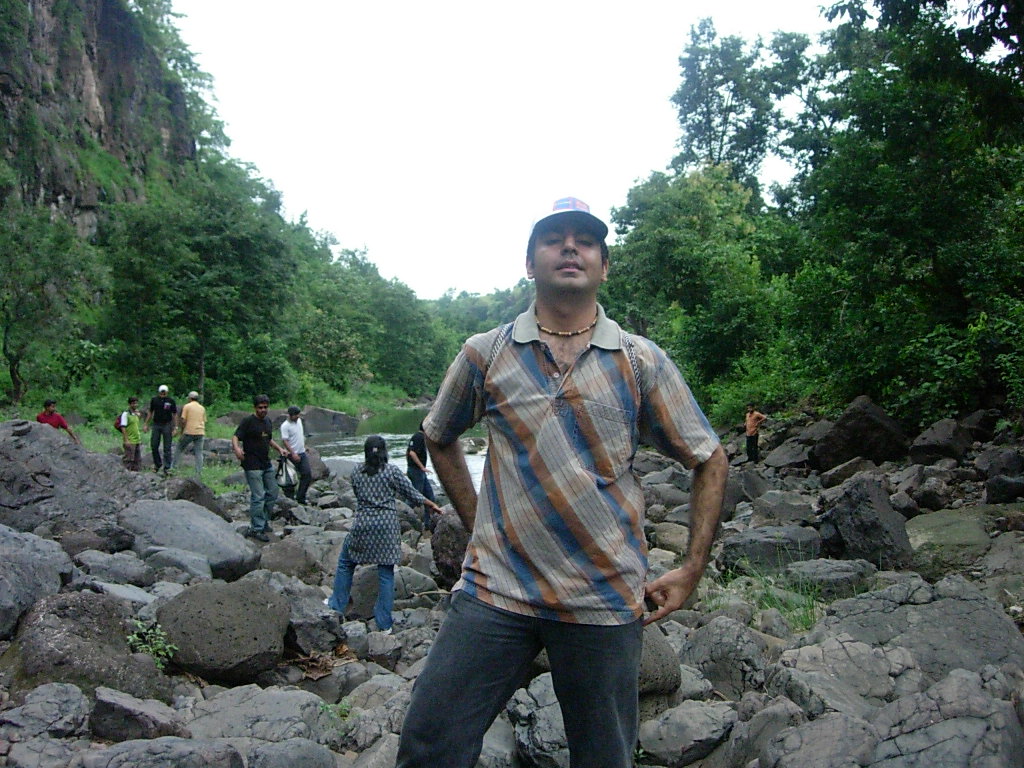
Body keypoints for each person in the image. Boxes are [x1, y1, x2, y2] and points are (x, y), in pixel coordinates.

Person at [396, 197, 728, 768]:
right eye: (554, 238)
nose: (570, 247)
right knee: (430, 742)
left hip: (602, 596)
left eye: (586, 240)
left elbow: (710, 459)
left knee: (605, 757)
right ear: (530, 263)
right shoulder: (486, 354)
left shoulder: (639, 360)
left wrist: (691, 569)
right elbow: (438, 434)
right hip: (496, 589)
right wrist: (477, 525)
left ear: (603, 265)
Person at [325, 435, 443, 633]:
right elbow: (411, 493)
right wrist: (432, 504)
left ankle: (336, 606)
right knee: (386, 573)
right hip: (387, 528)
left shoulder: (356, 472)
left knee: (346, 563)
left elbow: (357, 494)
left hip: (363, 524)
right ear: (385, 452)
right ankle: (384, 624)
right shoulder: (391, 471)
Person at [231, 394, 288, 542]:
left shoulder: (268, 421)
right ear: (255, 408)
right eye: (260, 407)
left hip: (265, 462)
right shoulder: (248, 421)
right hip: (251, 462)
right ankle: (256, 528)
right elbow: (236, 436)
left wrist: (279, 449)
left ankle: (264, 521)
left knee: (273, 491)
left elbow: (268, 439)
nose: (263, 410)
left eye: (265, 407)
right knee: (258, 496)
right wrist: (237, 449)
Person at [406, 422, 436, 530]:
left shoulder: (420, 437)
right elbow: (412, 453)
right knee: (414, 497)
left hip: (418, 472)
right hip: (416, 471)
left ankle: (427, 524)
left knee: (430, 497)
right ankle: (401, 517)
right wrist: (422, 467)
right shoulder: (418, 437)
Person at [280, 405, 313, 504]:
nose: (298, 416)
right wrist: (293, 453)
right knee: (291, 478)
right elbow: (285, 441)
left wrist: (304, 446)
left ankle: (300, 497)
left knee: (307, 475)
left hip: (302, 452)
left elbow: (300, 435)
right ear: (291, 415)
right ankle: (290, 499)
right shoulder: (285, 426)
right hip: (291, 454)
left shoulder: (298, 421)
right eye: (296, 415)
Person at [144, 384, 177, 475]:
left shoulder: (171, 401)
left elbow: (174, 414)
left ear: (167, 392)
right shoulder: (154, 400)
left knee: (167, 447)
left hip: (167, 424)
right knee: (154, 445)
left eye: (164, 392)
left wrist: (175, 427)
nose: (163, 393)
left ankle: (167, 467)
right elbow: (151, 412)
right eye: (161, 392)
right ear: (159, 392)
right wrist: (146, 424)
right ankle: (157, 464)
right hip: (156, 424)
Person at [176, 391, 206, 480]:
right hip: (200, 432)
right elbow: (204, 420)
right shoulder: (202, 408)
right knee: (199, 453)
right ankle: (198, 472)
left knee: (179, 448)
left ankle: (173, 468)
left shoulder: (187, 406)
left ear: (189, 398)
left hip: (189, 431)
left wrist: (181, 431)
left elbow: (183, 420)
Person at [117, 396, 143, 470]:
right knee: (128, 459)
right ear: (129, 404)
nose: (135, 405)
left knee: (137, 460)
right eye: (133, 403)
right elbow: (123, 427)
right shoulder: (125, 414)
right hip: (130, 440)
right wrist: (126, 440)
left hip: (137, 440)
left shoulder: (136, 414)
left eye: (136, 403)